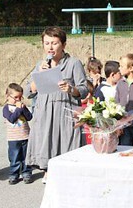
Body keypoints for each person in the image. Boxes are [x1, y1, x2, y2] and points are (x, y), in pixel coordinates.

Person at [25, 26, 88, 184]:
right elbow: (28, 91)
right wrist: (38, 75)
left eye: (54, 43)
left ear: (63, 45)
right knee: (46, 139)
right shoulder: (41, 63)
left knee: (66, 139)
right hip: (45, 109)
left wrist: (71, 89)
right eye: (46, 43)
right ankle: (47, 169)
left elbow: (84, 89)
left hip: (66, 108)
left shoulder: (74, 63)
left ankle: (67, 170)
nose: (50, 47)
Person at [3, 83, 33, 185]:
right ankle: (13, 174)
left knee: (26, 156)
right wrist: (19, 109)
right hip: (13, 138)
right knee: (15, 157)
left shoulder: (22, 106)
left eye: (20, 97)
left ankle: (26, 172)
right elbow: (12, 119)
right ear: (8, 96)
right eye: (15, 97)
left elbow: (29, 117)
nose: (18, 100)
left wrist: (23, 109)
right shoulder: (6, 108)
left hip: (25, 135)